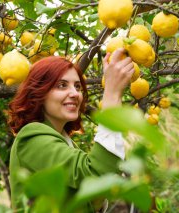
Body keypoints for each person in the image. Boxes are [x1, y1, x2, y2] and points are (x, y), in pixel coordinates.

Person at [8, 48, 135, 212]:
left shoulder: (64, 141)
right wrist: (111, 93)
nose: (75, 93)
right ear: (39, 93)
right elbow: (95, 173)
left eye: (77, 86)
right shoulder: (31, 137)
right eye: (62, 85)